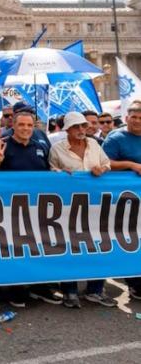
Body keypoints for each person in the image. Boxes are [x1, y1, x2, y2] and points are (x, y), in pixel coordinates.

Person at [0, 111, 63, 307]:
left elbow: (47, 171)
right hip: (10, 208)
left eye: (29, 125)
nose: (26, 129)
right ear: (13, 125)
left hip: (37, 207)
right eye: (21, 125)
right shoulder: (2, 145)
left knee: (39, 247)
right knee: (15, 250)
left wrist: (55, 171)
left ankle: (40, 287)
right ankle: (16, 289)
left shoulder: (40, 146)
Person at [48, 111, 116, 309]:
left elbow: (107, 163)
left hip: (96, 205)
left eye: (83, 126)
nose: (81, 130)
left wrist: (102, 169)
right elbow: (51, 172)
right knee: (70, 248)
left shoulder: (94, 144)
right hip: (68, 206)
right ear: (67, 130)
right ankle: (69, 291)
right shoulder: (57, 149)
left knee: (99, 245)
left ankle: (95, 290)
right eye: (76, 126)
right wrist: (61, 174)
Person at [102, 100, 141, 300]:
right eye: (134, 117)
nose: (137, 121)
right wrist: (131, 165)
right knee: (130, 241)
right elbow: (104, 163)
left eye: (140, 118)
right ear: (127, 118)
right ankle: (135, 284)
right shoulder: (116, 138)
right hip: (124, 202)